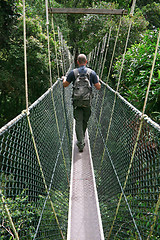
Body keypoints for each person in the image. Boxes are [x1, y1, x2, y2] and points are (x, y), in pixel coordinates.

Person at [62, 54, 101, 152]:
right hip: (87, 102)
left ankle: (80, 142)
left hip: (77, 102)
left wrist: (64, 78)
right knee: (85, 121)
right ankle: (82, 138)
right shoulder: (92, 73)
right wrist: (98, 79)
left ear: (77, 62)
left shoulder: (73, 72)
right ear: (86, 62)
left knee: (78, 121)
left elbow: (65, 85)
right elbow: (98, 87)